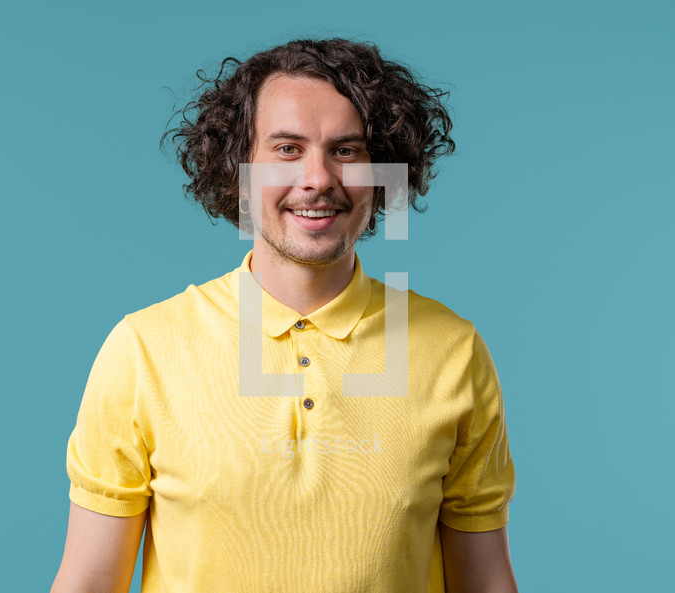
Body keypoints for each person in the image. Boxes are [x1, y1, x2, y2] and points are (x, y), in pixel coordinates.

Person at [51, 38, 517, 593]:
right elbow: (88, 581)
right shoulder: (143, 349)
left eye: (346, 150)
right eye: (287, 149)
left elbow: (484, 581)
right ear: (239, 168)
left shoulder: (454, 350)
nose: (318, 178)